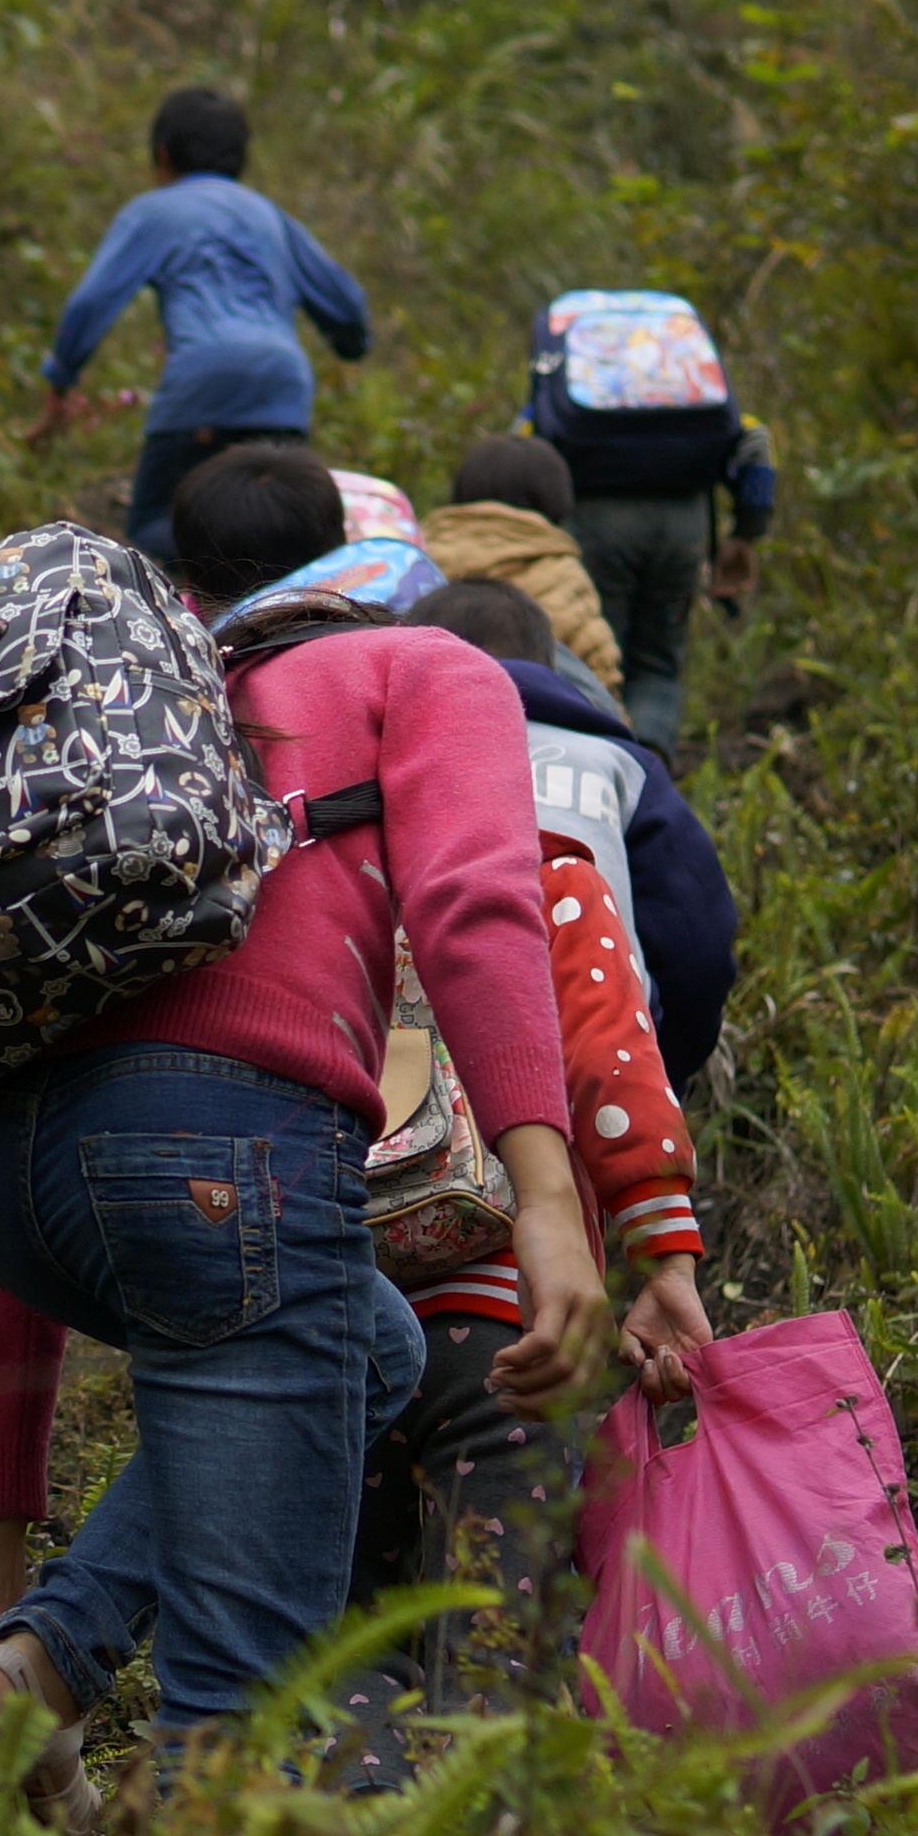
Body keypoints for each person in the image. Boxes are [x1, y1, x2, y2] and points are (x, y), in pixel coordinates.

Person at [0, 443, 599, 1810]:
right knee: (238, 1721)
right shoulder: (425, 671)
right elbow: (479, 909)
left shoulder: (119, 748)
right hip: (218, 1158)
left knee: (375, 1343)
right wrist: (544, 1197)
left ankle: (37, 1673)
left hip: (0, 1173)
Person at [345, 591, 718, 1763]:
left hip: (332, 1315)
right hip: (515, 1330)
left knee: (339, 1632)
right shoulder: (549, 876)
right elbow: (615, 1074)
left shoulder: (323, 889)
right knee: (495, 1640)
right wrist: (661, 1254)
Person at [410, 575, 736, 1091]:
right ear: (550, 664)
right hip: (596, 1054)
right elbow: (698, 943)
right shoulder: (620, 765)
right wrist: (658, 1062)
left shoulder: (396, 759)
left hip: (426, 1064)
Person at [38, 86, 374, 557]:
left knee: (158, 526)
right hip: (283, 388)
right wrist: (351, 344)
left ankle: (185, 620)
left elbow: (91, 303)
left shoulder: (154, 211)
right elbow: (347, 307)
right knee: (278, 538)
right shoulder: (271, 216)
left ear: (162, 154)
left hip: (203, 386)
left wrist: (61, 380)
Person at [518, 289, 779, 756]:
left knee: (595, 658)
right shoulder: (685, 382)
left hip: (594, 521)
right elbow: (756, 448)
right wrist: (745, 534)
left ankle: (596, 768)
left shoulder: (568, 373)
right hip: (684, 523)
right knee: (658, 663)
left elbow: (525, 440)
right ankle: (653, 772)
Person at [417, 434, 624, 687]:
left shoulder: (418, 556)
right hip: (536, 716)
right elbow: (600, 671)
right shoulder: (563, 573)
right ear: (554, 496)